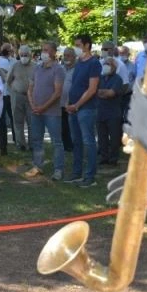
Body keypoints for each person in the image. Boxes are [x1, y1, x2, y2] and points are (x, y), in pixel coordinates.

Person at [64, 33, 101, 188]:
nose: (76, 48)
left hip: (86, 108)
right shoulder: (79, 62)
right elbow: (74, 84)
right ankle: (77, 172)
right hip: (73, 107)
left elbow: (92, 89)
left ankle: (90, 176)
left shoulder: (94, 63)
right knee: (76, 141)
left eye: (78, 45)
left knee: (88, 141)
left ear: (87, 45)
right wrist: (69, 102)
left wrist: (77, 104)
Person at [26, 41, 65, 180]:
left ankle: (58, 170)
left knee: (56, 141)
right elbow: (30, 87)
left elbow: (57, 92)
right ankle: (38, 166)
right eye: (43, 50)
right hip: (36, 111)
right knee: (37, 140)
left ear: (54, 52)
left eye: (47, 50)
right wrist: (32, 105)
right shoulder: (37, 68)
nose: (44, 52)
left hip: (51, 112)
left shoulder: (58, 69)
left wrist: (43, 107)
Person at [96, 56, 124, 167]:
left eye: (109, 64)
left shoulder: (118, 79)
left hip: (113, 112)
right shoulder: (100, 78)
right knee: (101, 136)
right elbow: (95, 91)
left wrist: (102, 93)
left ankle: (113, 158)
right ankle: (104, 157)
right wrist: (104, 92)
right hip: (101, 111)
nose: (106, 66)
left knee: (114, 137)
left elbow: (111, 93)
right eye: (105, 64)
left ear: (114, 67)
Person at [6, 45, 33, 152]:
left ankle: (32, 144)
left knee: (32, 122)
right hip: (17, 96)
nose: (23, 57)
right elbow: (8, 80)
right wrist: (14, 90)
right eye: (21, 55)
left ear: (30, 55)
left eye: (25, 55)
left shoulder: (36, 66)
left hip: (31, 97)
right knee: (18, 121)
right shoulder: (15, 65)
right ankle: (20, 144)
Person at [0, 43, 16, 154]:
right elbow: (5, 77)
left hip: (11, 93)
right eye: (6, 49)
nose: (8, 50)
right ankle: (3, 145)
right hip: (1, 94)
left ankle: (16, 139)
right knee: (2, 121)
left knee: (14, 117)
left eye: (9, 49)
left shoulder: (13, 60)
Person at [60, 47, 76, 152]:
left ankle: (74, 145)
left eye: (69, 55)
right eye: (65, 55)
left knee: (73, 126)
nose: (66, 57)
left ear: (74, 57)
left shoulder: (77, 69)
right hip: (60, 103)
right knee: (63, 126)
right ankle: (66, 146)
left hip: (73, 103)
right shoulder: (60, 69)